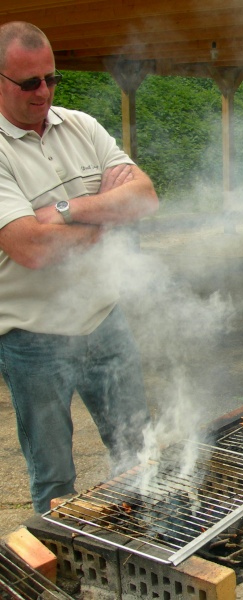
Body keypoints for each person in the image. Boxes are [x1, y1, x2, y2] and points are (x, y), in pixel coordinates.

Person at [0, 21, 159, 514]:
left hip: (105, 320)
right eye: (29, 83)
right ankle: (65, 576)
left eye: (51, 79)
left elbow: (146, 198)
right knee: (55, 478)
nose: (43, 92)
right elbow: (33, 249)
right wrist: (108, 213)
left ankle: (150, 539)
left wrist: (68, 211)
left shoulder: (82, 126)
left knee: (138, 452)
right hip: (33, 339)